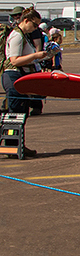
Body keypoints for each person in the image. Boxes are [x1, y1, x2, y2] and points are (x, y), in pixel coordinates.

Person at [2, 9, 54, 154]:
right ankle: (12, 146)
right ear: (26, 21)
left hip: (19, 76)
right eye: (35, 25)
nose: (36, 28)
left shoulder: (23, 36)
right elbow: (14, 60)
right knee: (15, 115)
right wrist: (35, 55)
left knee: (20, 114)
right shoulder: (17, 36)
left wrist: (40, 57)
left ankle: (15, 145)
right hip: (13, 76)